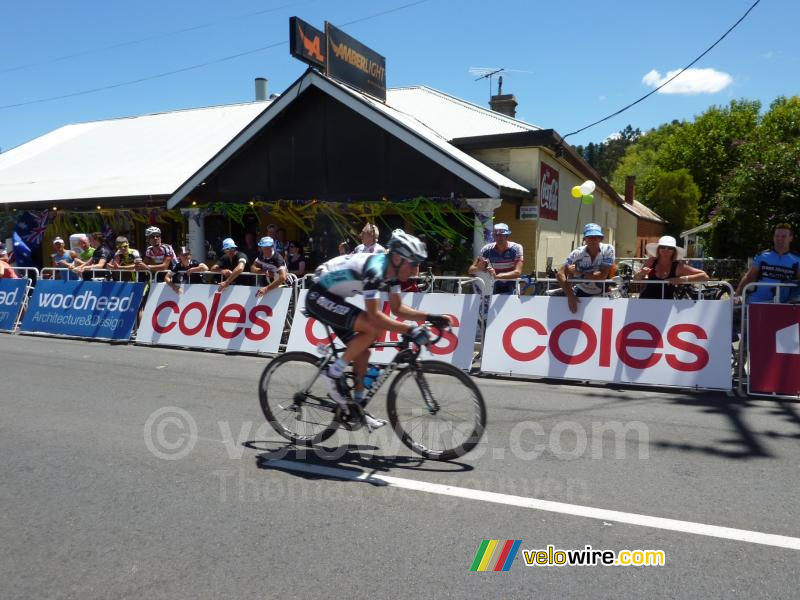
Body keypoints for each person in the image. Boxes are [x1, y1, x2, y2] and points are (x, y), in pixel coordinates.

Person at [307, 229, 451, 430]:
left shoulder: (391, 274)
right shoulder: (376, 270)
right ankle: (334, 372)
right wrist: (410, 331)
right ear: (398, 258)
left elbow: (398, 308)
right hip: (319, 296)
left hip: (335, 297)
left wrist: (431, 318)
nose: (415, 271)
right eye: (414, 264)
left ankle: (357, 408)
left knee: (363, 352)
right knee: (372, 328)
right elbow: (375, 317)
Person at [556, 223, 615, 313]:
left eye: (596, 237)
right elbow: (560, 274)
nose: (593, 240)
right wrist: (570, 296)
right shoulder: (577, 253)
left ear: (600, 239)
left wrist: (579, 273)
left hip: (602, 291)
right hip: (581, 291)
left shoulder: (608, 249)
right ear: (585, 239)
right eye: (590, 237)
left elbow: (602, 275)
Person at [735, 222, 799, 304]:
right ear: (773, 237)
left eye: (784, 236)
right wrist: (737, 294)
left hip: (784, 304)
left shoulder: (797, 259)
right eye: (777, 236)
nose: (779, 239)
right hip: (758, 302)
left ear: (791, 238)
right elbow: (749, 276)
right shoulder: (762, 256)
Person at [634, 235, 709, 299]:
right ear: (658, 249)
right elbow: (636, 279)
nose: (666, 250)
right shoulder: (651, 261)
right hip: (645, 301)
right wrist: (640, 273)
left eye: (670, 248)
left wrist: (682, 279)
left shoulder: (678, 266)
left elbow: (705, 276)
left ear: (674, 251)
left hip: (667, 304)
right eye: (663, 247)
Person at [467, 222, 524, 294]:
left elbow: (518, 272)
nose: (498, 238)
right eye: (496, 235)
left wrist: (496, 276)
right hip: (496, 284)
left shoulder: (516, 248)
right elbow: (470, 270)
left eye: (501, 235)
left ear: (506, 236)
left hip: (512, 284)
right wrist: (480, 268)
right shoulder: (487, 249)